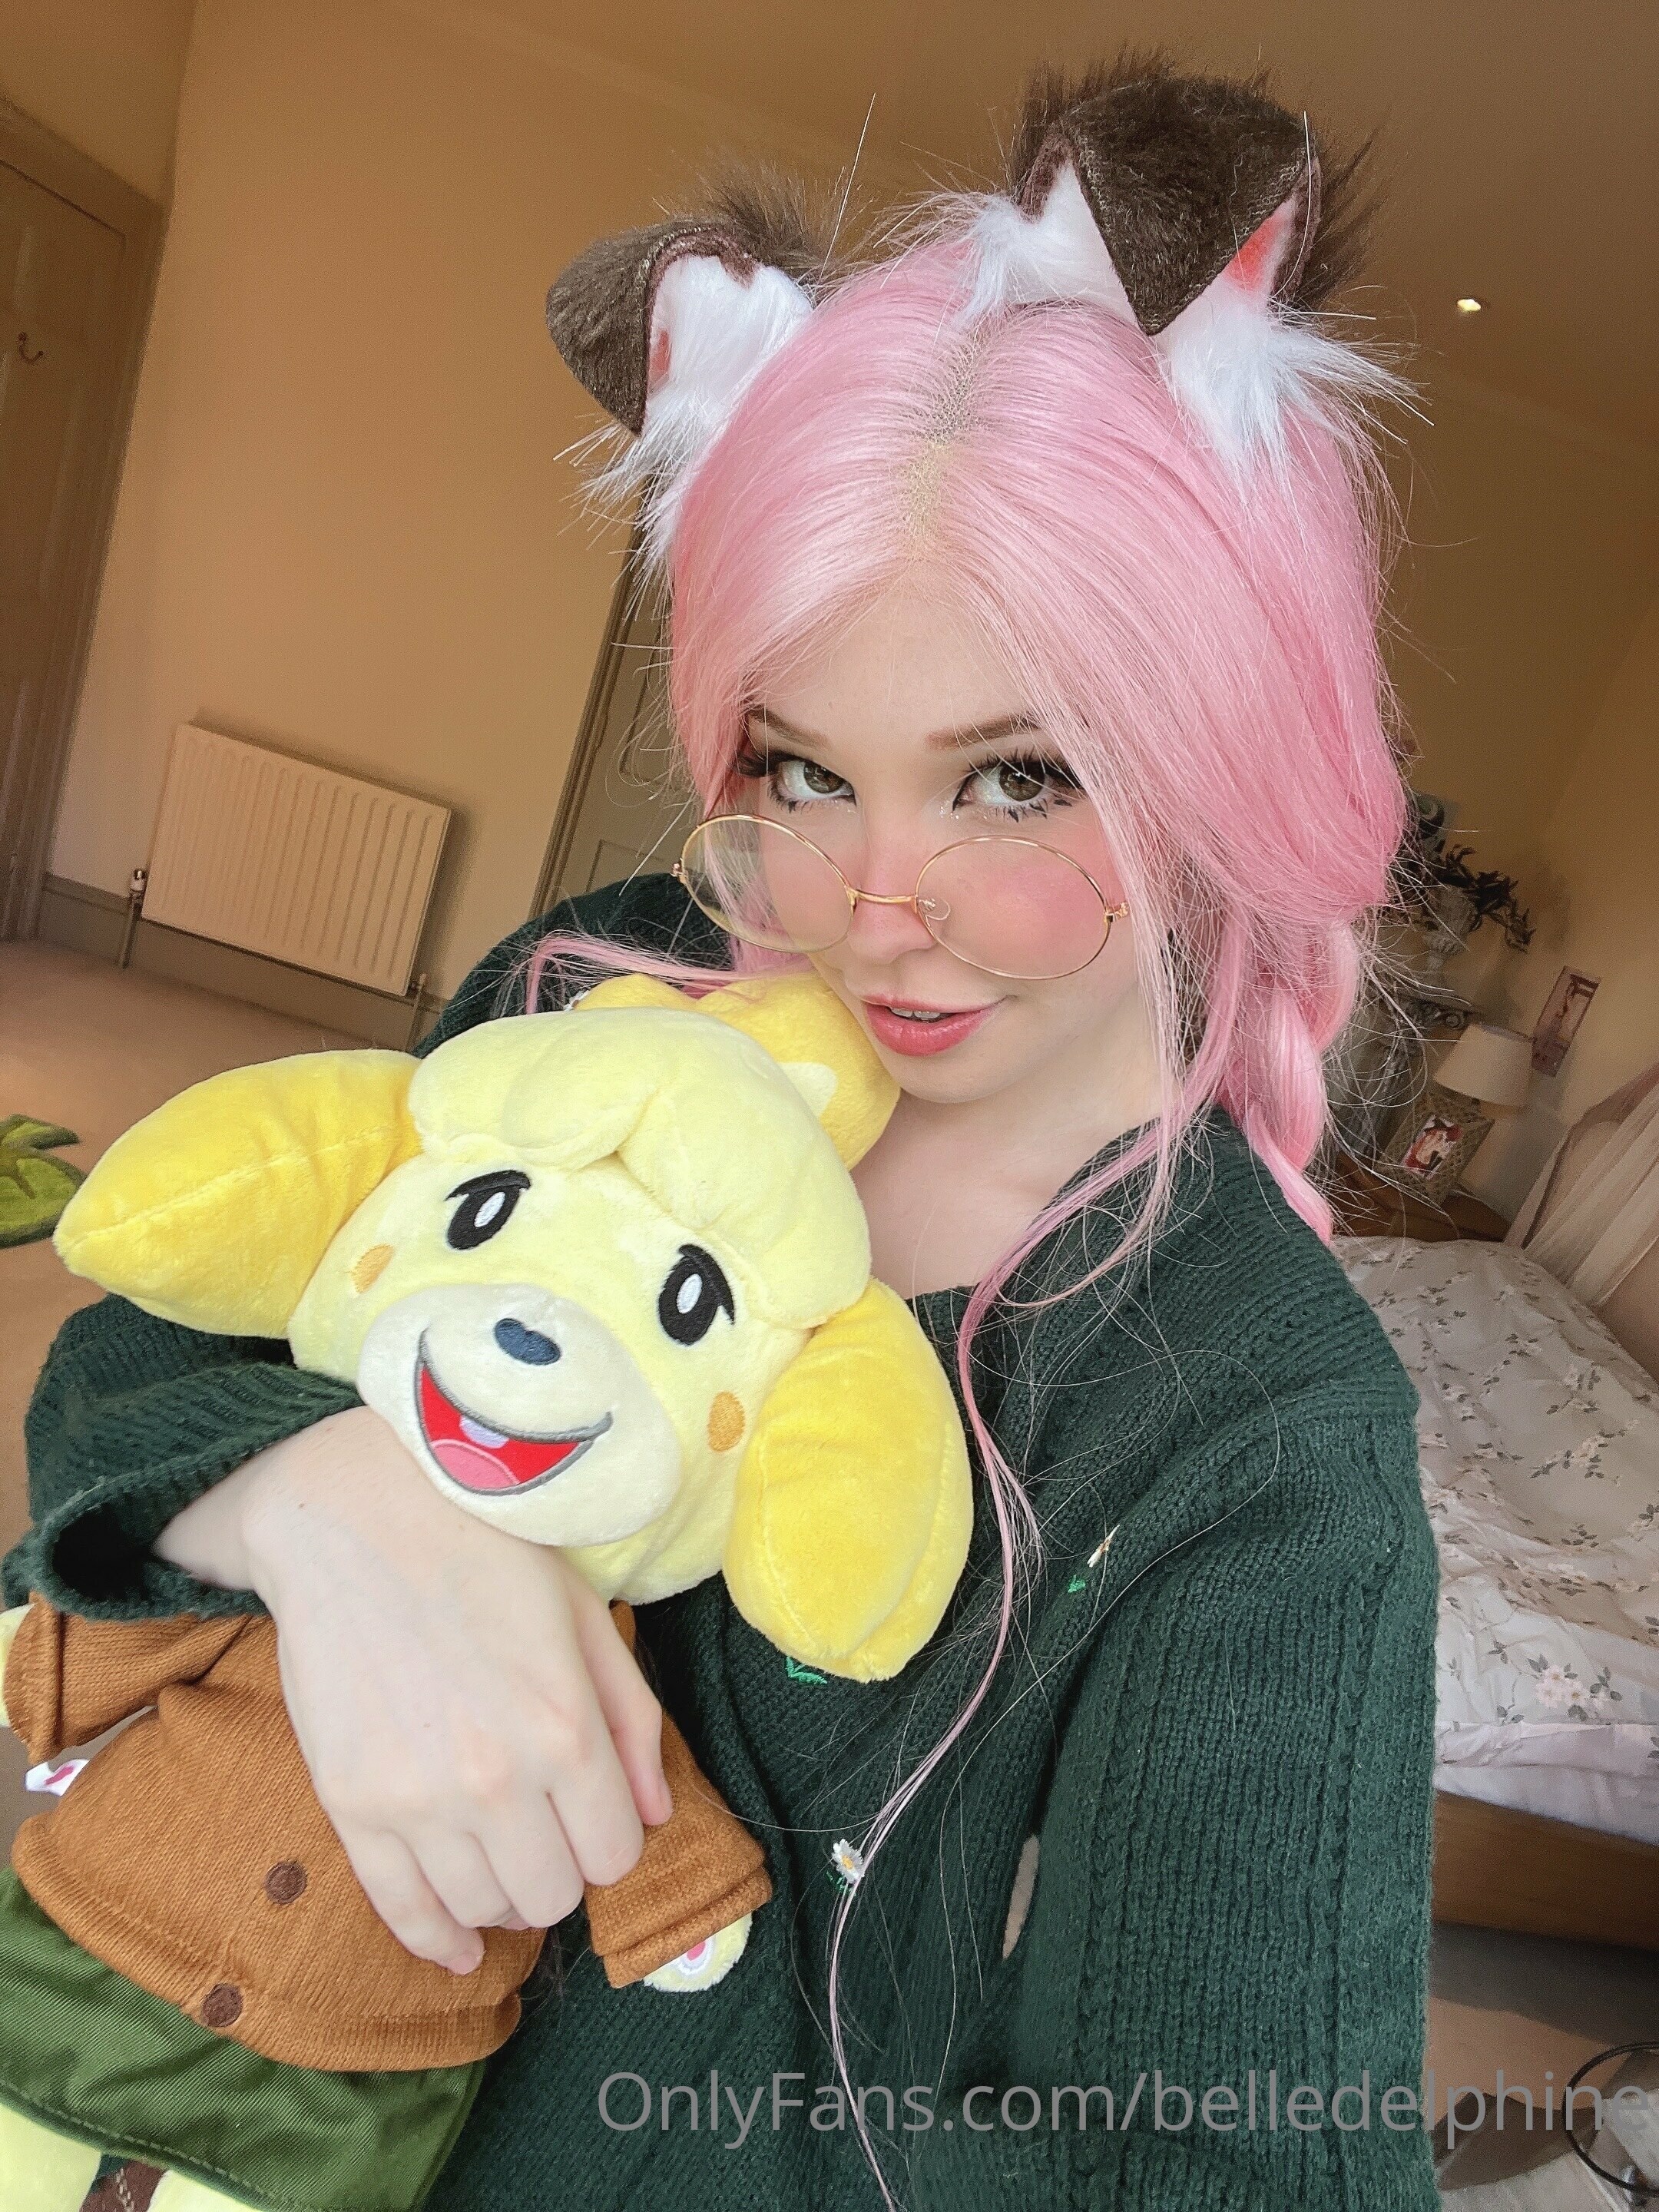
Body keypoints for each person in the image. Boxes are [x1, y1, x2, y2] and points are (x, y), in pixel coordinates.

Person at [8, 59, 1439, 2212]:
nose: (873, 909)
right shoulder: (606, 983)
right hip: (158, 2058)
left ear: (1229, 747)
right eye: (801, 769)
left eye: (1017, 778)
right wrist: (327, 1503)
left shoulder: (1257, 1414)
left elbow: (1237, 2160)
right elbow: (129, 1369)